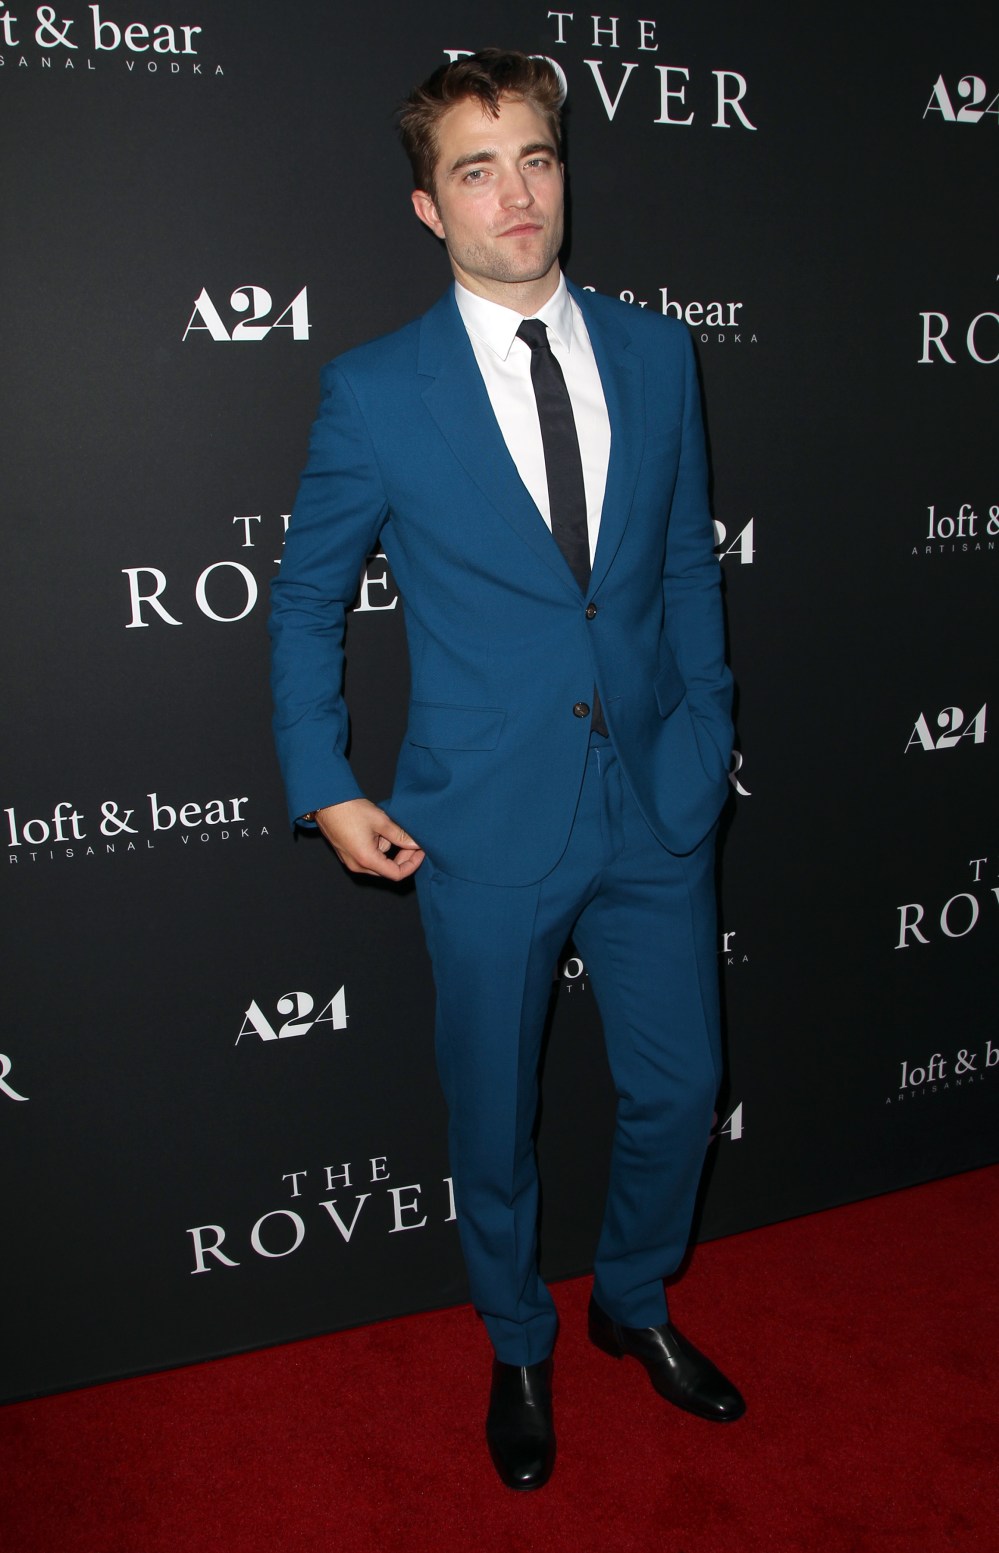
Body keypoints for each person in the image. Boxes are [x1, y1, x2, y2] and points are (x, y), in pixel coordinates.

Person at [269, 49, 744, 1491]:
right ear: (430, 207)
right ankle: (518, 1339)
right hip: (479, 819)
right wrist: (325, 780)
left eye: (535, 157)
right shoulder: (374, 392)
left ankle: (633, 1299)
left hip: (655, 797)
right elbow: (306, 600)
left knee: (682, 1088)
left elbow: (683, 564)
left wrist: (707, 725)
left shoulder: (657, 353)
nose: (517, 192)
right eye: (477, 170)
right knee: (494, 1115)